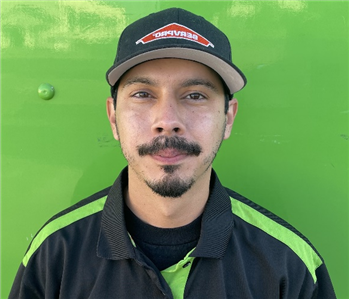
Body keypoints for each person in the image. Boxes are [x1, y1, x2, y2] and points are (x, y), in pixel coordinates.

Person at [9, 8, 336, 299]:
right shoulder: (55, 254)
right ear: (113, 117)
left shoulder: (289, 264)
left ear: (228, 118)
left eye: (195, 95)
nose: (167, 121)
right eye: (142, 94)